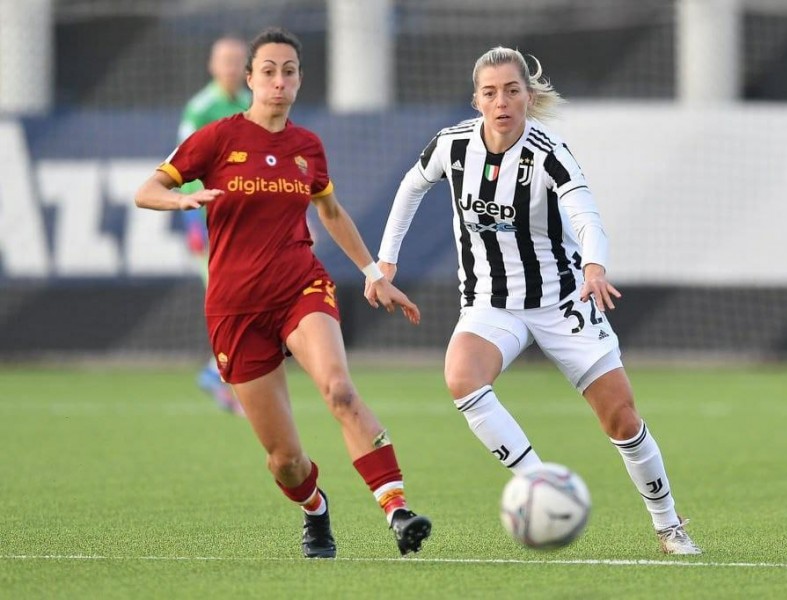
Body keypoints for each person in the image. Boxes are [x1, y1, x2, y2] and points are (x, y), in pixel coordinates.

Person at [367, 46, 701, 555]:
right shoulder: (451, 145)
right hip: (491, 302)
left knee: (622, 419)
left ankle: (669, 524)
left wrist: (593, 265)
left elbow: (586, 215)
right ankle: (540, 485)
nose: (501, 101)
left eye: (511, 90)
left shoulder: (548, 153)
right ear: (476, 99)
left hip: (562, 299)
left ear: (527, 95)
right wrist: (385, 262)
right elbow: (412, 186)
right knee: (461, 378)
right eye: (489, 92)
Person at [135, 27, 431, 558]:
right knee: (285, 461)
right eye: (268, 71)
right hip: (234, 308)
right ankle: (315, 508)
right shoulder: (217, 137)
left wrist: (372, 272)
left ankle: (397, 510)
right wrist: (179, 201)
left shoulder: (306, 147)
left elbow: (331, 212)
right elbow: (146, 190)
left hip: (299, 287)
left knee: (339, 390)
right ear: (249, 79)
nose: (278, 80)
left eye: (289, 71)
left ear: (298, 81)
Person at [178, 35, 252, 416]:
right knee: (228, 298)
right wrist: (192, 220)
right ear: (211, 65)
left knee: (240, 298)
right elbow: (183, 162)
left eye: (238, 60)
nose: (232, 67)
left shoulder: (246, 105)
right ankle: (219, 373)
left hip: (240, 223)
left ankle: (218, 373)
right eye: (225, 60)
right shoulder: (201, 108)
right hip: (208, 223)